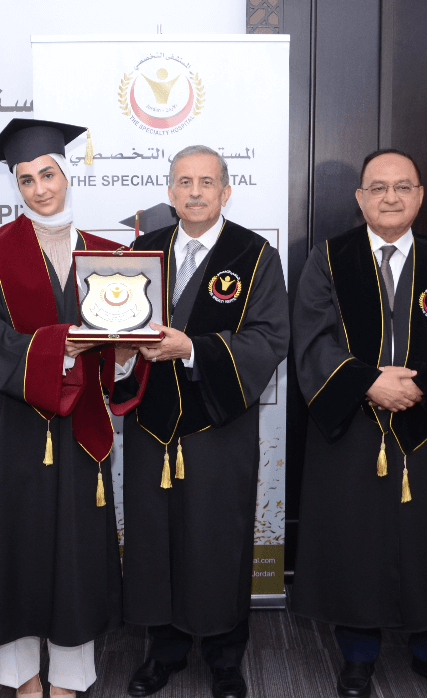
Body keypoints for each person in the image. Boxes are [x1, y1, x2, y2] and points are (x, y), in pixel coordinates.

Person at [0, 119, 150, 698]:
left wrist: (125, 355)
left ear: (67, 175)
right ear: (16, 186)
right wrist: (60, 347)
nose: (40, 188)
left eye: (48, 174)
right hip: (13, 424)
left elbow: (122, 353)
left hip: (82, 426)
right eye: (26, 180)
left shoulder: (109, 255)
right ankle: (21, 674)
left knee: (77, 549)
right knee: (15, 544)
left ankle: (69, 675)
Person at [291, 149, 427, 698]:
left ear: (420, 195)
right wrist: (368, 383)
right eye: (378, 187)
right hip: (352, 426)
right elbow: (312, 338)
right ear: (360, 198)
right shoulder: (330, 259)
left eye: (402, 187)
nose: (390, 197)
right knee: (354, 542)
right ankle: (357, 657)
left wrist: (424, 384)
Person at [113, 145, 290, 698]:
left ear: (225, 191)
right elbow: (116, 327)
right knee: (155, 539)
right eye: (184, 182)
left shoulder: (254, 256)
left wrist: (192, 348)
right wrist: (119, 351)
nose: (194, 192)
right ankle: (163, 650)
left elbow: (270, 338)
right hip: (151, 425)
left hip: (218, 426)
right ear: (170, 192)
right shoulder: (142, 250)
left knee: (217, 540)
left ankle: (224, 656)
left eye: (206, 182)